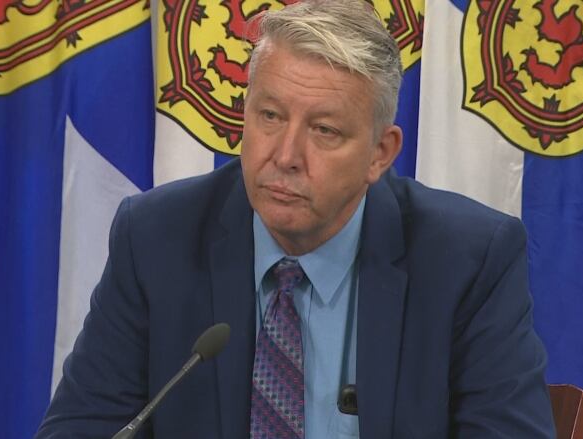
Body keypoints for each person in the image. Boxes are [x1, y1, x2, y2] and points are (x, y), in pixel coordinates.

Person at [35, 0, 556, 437]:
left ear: (380, 152)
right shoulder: (156, 238)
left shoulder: (467, 259)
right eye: (270, 116)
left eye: (324, 130)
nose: (285, 155)